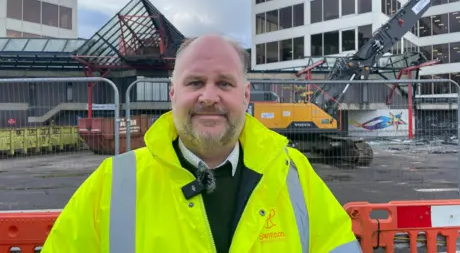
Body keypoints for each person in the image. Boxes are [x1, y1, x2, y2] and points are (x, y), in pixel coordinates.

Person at [40, 34, 362, 253]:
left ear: (245, 95)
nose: (209, 97)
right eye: (195, 82)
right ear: (173, 94)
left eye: (224, 83)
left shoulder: (295, 175)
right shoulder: (112, 185)